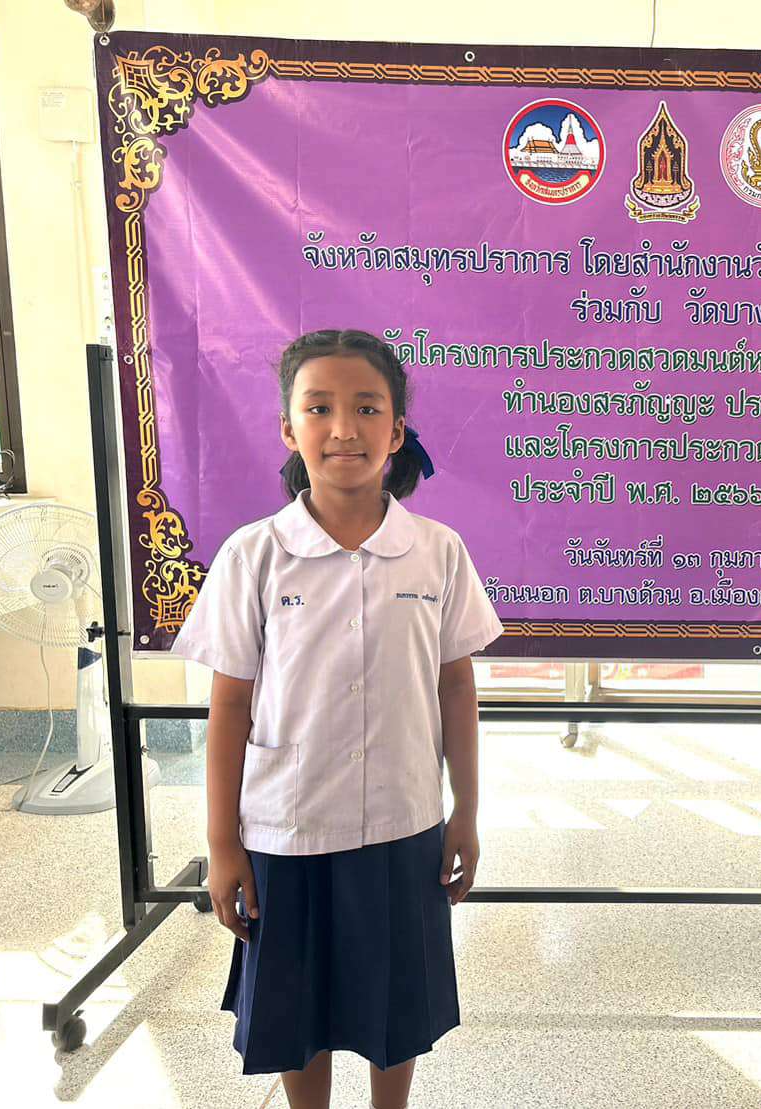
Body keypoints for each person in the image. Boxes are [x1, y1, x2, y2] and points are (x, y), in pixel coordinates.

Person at [172, 329, 503, 1108]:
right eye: (318, 408)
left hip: (403, 823)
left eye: (367, 408)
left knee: (397, 1003)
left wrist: (466, 811)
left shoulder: (437, 551)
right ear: (289, 429)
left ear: (397, 429)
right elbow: (229, 705)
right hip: (286, 826)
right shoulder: (254, 555)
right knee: (296, 1007)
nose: (344, 428)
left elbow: (456, 689)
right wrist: (222, 843)